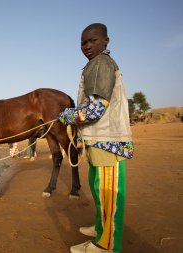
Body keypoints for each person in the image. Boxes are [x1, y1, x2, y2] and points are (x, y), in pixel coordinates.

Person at [58, 23, 134, 253]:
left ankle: (106, 246)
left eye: (92, 41)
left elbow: (94, 110)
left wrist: (66, 116)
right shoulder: (95, 64)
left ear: (106, 41)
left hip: (106, 140)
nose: (87, 46)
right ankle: (102, 229)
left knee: (108, 195)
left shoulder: (101, 63)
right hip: (97, 139)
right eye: (83, 42)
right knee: (98, 189)